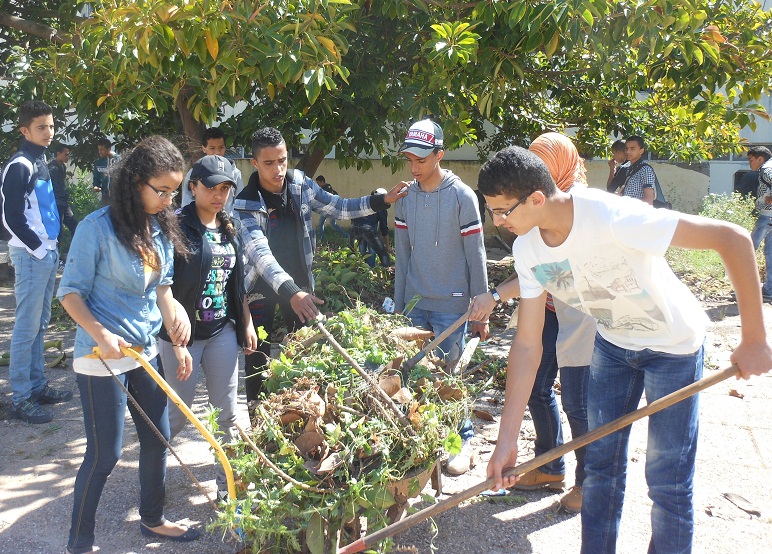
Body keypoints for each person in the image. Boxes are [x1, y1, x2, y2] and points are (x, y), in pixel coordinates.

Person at [478, 145, 771, 553]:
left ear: (537, 199)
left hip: (674, 349)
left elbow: (733, 238)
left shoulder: (614, 217)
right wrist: (506, 438)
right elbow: (527, 345)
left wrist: (754, 338)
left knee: (666, 479)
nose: (497, 221)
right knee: (599, 472)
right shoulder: (529, 250)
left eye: (502, 210)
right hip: (613, 348)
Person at [58, 136, 200, 553]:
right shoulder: (95, 229)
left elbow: (163, 292)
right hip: (100, 356)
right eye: (161, 190)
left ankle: (152, 520)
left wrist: (178, 328)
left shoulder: (158, 229)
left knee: (158, 437)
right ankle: (79, 542)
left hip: (143, 353)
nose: (168, 199)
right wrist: (101, 333)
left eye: (174, 191)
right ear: (135, 182)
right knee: (105, 455)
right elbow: (70, 294)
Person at [234, 127, 408, 402]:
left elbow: (338, 207)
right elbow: (260, 256)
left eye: (282, 160)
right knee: (257, 356)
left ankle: (297, 411)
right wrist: (292, 292)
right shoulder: (244, 204)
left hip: (300, 285)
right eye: (269, 163)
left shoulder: (301, 185)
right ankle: (258, 417)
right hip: (260, 288)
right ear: (254, 163)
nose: (278, 169)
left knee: (302, 352)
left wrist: (381, 201)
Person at [158, 155, 258, 500]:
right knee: (178, 415)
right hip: (179, 337)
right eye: (211, 187)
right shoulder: (173, 226)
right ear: (192, 188)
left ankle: (230, 485)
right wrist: (173, 337)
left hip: (221, 333)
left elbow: (237, 282)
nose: (219, 194)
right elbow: (162, 287)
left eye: (226, 188)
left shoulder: (231, 227)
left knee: (227, 414)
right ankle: (153, 478)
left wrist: (245, 323)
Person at [393, 118, 489, 475]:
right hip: (417, 302)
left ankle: (460, 441)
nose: (415, 167)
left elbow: (475, 254)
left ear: (439, 154)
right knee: (414, 374)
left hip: (453, 305)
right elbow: (402, 255)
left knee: (451, 378)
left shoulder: (462, 197)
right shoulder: (406, 198)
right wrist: (400, 306)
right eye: (410, 160)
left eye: (421, 159)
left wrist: (481, 309)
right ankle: (420, 442)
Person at [0, 100, 70, 424]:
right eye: (42, 127)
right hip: (31, 256)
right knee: (26, 329)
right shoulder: (20, 165)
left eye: (52, 125)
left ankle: (38, 386)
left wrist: (50, 249)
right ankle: (21, 397)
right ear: (24, 130)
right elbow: (10, 216)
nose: (49, 132)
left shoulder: (39, 160)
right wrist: (38, 249)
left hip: (45, 253)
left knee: (40, 325)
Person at [180, 127, 245, 213]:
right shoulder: (194, 173)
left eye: (221, 147)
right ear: (204, 148)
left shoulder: (235, 173)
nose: (217, 152)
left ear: (225, 148)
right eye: (212, 148)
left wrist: (234, 223)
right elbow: (186, 202)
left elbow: (240, 204)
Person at [749, 146, 772, 301]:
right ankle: (768, 289)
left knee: (747, 249)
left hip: (767, 217)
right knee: (770, 253)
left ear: (760, 159)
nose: (749, 164)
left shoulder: (766, 169)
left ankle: (744, 289)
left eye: (751, 160)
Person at [349, 187, 393, 267]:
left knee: (361, 251)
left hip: (354, 228)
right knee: (380, 252)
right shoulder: (381, 207)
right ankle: (380, 270)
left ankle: (362, 269)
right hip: (368, 229)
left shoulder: (364, 201)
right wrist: (387, 246)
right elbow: (383, 228)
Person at [47, 143, 79, 239]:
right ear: (58, 154)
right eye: (66, 154)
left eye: (69, 154)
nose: (68, 157)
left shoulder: (62, 166)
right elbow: (53, 187)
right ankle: (57, 253)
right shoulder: (52, 168)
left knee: (74, 225)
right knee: (58, 230)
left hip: (63, 202)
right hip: (56, 202)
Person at [615, 135, 656, 205]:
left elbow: (649, 201)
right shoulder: (628, 168)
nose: (628, 152)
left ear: (641, 151)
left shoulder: (645, 170)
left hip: (639, 214)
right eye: (626, 148)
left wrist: (625, 201)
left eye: (632, 149)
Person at [315, 175, 349, 240]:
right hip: (329, 209)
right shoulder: (327, 187)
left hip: (328, 210)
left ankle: (321, 239)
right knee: (333, 224)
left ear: (322, 181)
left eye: (318, 182)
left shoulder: (326, 188)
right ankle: (346, 235)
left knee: (321, 224)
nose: (318, 184)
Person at [92, 137, 119, 205]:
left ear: (108, 149)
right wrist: (96, 186)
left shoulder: (118, 160)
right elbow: (96, 178)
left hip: (118, 196)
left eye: (102, 149)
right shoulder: (98, 163)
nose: (99, 152)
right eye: (98, 149)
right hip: (105, 197)